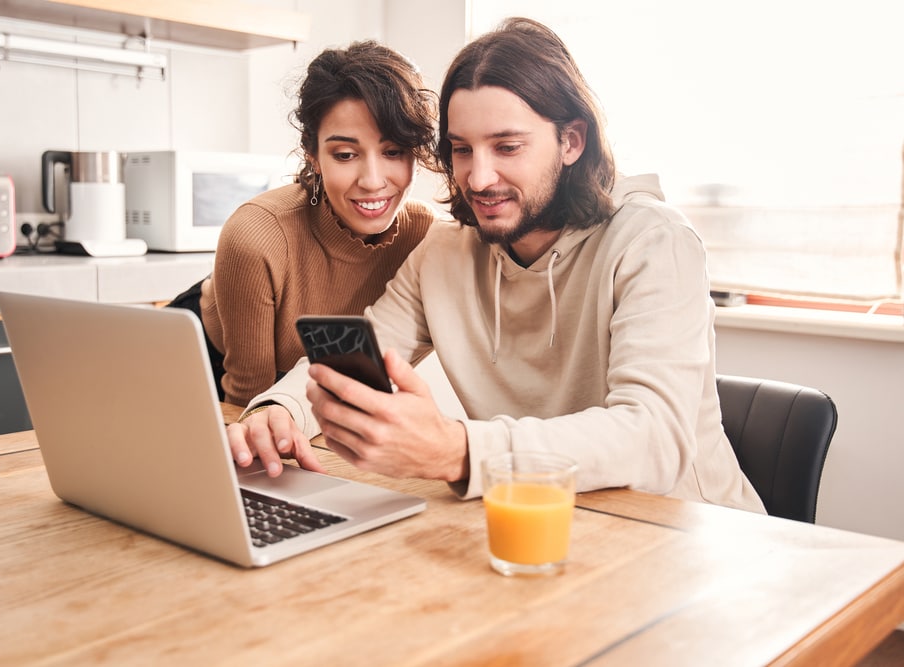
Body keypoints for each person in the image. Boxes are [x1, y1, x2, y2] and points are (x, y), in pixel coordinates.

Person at [229, 18, 765, 514]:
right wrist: (277, 409)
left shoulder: (653, 242)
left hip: (686, 535)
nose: (479, 178)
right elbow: (359, 351)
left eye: (506, 147)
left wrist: (457, 451)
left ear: (571, 141)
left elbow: (652, 440)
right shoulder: (446, 252)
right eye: (462, 150)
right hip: (535, 518)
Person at [167, 40, 440, 407]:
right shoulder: (259, 234)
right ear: (313, 155)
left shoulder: (425, 236)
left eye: (393, 152)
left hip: (302, 387)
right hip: (200, 363)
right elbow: (248, 398)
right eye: (345, 155)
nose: (373, 180)